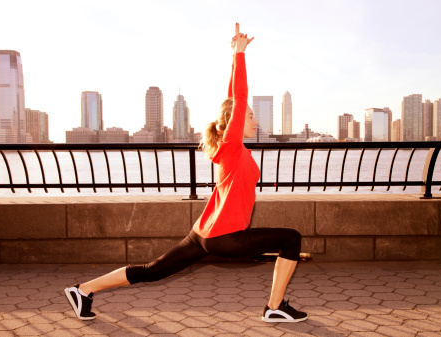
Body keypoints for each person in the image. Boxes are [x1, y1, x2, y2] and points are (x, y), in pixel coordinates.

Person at [65, 23, 308, 324]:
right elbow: (240, 97)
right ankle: (275, 307)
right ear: (233, 122)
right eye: (250, 116)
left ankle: (83, 290)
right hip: (225, 236)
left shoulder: (231, 147)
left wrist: (235, 56)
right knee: (292, 239)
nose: (255, 121)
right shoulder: (231, 146)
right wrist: (241, 55)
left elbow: (234, 97)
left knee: (152, 270)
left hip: (203, 232)